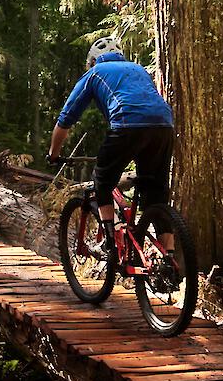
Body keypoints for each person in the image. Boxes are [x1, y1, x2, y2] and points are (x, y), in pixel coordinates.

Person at [47, 36, 175, 261]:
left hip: (127, 125)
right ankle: (169, 259)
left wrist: (54, 154)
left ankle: (109, 242)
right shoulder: (139, 69)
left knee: (102, 181)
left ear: (92, 61)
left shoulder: (94, 73)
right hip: (164, 126)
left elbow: (65, 120)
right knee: (156, 194)